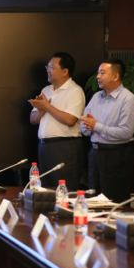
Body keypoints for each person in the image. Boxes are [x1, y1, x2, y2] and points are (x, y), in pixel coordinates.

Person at [80, 58, 134, 203]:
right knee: (93, 198)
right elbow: (83, 125)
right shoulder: (96, 97)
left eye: (102, 73)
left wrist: (96, 126)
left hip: (116, 155)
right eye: (98, 73)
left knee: (114, 199)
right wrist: (87, 126)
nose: (98, 76)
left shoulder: (128, 99)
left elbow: (126, 132)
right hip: (95, 153)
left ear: (115, 76)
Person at [29, 52, 85, 191]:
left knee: (65, 190)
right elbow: (33, 120)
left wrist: (48, 107)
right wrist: (42, 110)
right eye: (47, 67)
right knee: (45, 190)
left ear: (65, 71)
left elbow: (70, 120)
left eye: (52, 67)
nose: (48, 70)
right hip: (44, 147)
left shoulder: (75, 91)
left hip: (64, 147)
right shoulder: (46, 90)